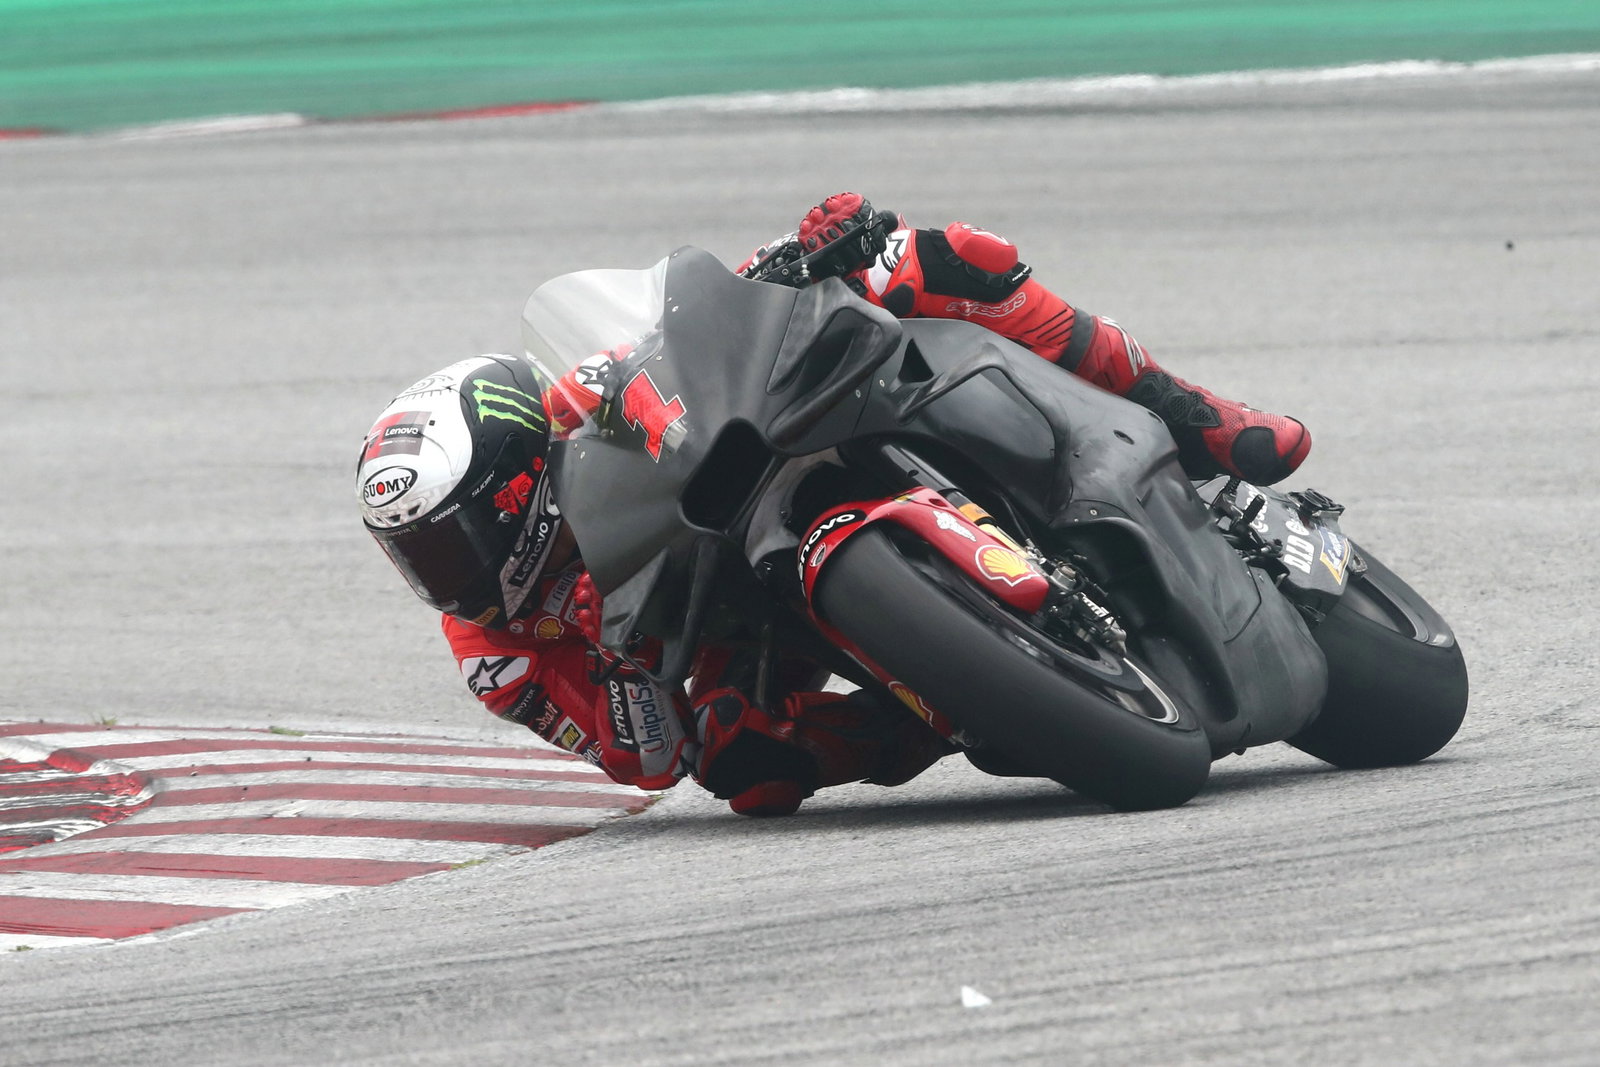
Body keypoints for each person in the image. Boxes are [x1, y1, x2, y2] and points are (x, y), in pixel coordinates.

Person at [356, 193, 1312, 817]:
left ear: (521, 479)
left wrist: (796, 255)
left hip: (766, 452)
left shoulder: (580, 401)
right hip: (720, 617)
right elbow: (643, 757)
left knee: (929, 258)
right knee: (746, 767)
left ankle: (1196, 417)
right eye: (417, 556)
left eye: (453, 537)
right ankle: (954, 707)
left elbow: (697, 326)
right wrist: (616, 663)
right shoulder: (496, 653)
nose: (446, 574)